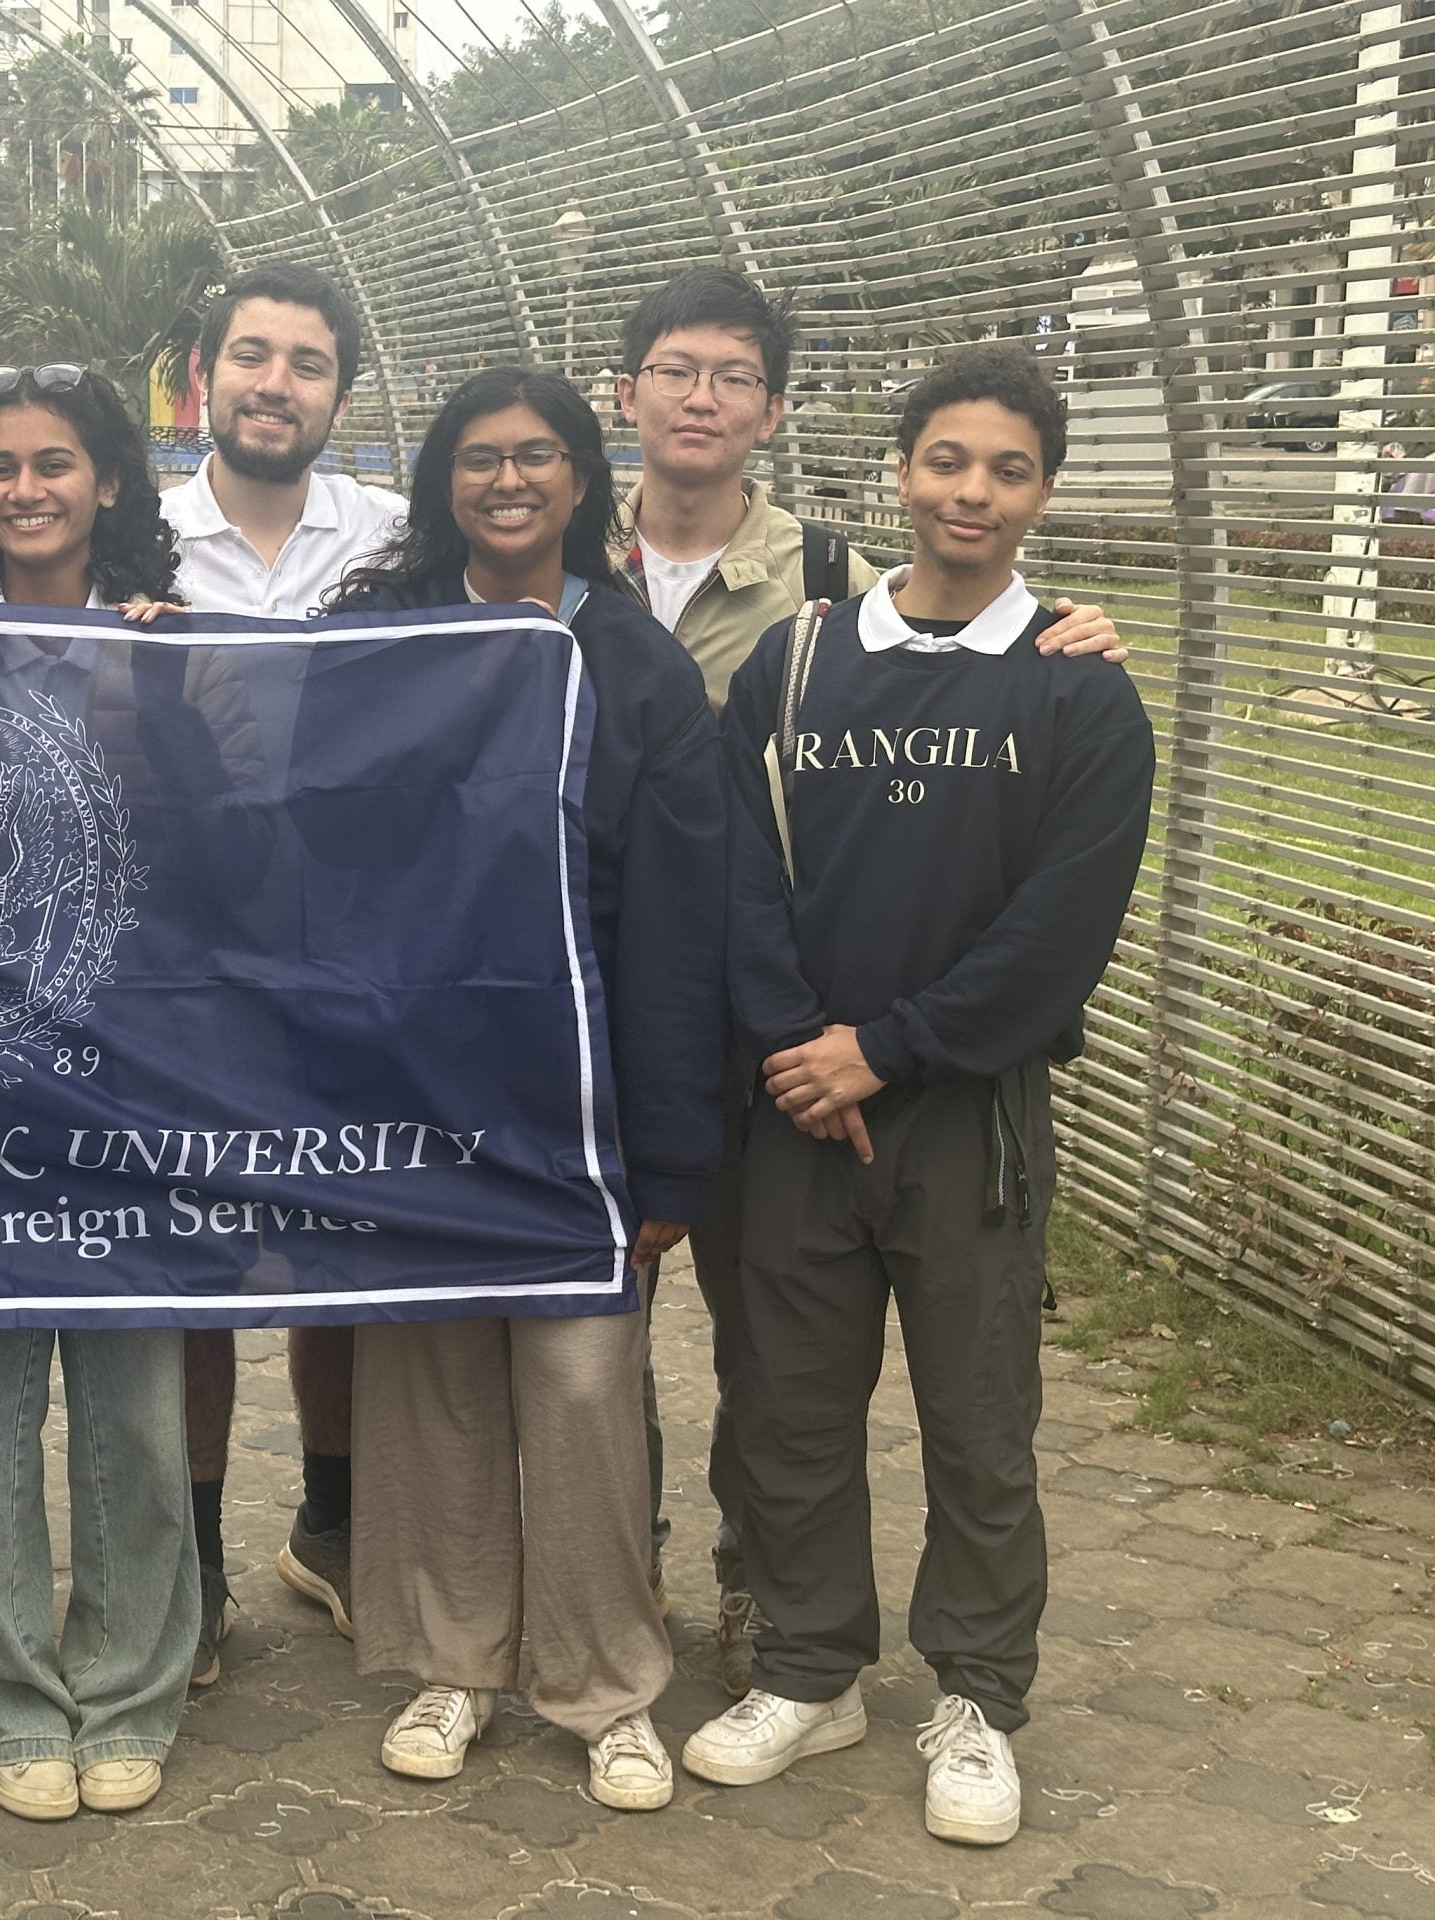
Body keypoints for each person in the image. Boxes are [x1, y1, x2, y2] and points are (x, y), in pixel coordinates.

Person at [607, 265, 1128, 1687]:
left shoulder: (1076, 687)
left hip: (953, 1107)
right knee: (780, 1404)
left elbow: (1058, 929)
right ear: (903, 471)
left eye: (1009, 470)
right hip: (753, 1073)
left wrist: (877, 1051)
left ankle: (978, 1690)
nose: (973, 491)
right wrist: (798, 1041)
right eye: (948, 460)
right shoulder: (773, 653)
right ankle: (797, 1661)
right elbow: (750, 876)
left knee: (978, 1418)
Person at [329, 365, 724, 1810]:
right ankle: (455, 1665)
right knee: (431, 1388)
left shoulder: (635, 665)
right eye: (481, 457)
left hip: (585, 1113)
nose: (508, 479)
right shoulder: (377, 639)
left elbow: (687, 921)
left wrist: (672, 1159)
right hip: (418, 1093)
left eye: (538, 457)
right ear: (443, 479)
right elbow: (304, 841)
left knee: (579, 1396)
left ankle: (606, 1684)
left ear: (580, 482)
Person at [0, 362, 204, 1823]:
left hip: (132, 1074)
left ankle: (130, 1686)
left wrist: (179, 682)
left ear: (110, 484)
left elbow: (230, 845)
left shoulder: (173, 646)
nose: (26, 488)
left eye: (55, 463)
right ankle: (4, 1699)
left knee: (135, 1394)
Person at [157, 262, 410, 1680]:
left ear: (338, 393)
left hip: (346, 958)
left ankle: (333, 1519)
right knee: (191, 1267)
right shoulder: (133, 534)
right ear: (205, 376)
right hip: (173, 964)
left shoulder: (395, 539)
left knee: (337, 1250)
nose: (275, 382)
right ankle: (189, 1557)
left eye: (307, 363)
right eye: (250, 355)